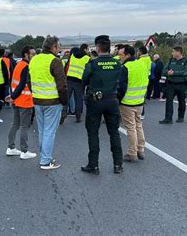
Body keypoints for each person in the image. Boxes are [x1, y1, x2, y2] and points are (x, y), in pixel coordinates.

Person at [81, 35, 123, 175]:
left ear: (97, 48)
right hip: (112, 101)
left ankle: (94, 165)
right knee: (114, 133)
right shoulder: (118, 64)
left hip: (96, 101)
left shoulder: (92, 64)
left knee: (93, 133)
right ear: (109, 47)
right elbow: (122, 84)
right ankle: (118, 165)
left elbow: (84, 80)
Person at [28, 36, 67, 170]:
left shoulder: (34, 60)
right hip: (53, 102)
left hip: (37, 101)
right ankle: (45, 160)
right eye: (59, 46)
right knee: (50, 131)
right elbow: (62, 85)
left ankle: (45, 156)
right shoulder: (55, 61)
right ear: (53, 47)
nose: (60, 49)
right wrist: (64, 101)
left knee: (42, 131)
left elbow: (29, 80)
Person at [5, 45, 37, 160]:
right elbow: (22, 84)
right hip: (25, 101)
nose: (34, 56)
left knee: (15, 124)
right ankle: (24, 151)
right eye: (32, 54)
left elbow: (13, 82)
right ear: (26, 55)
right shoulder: (26, 67)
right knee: (24, 126)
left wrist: (12, 96)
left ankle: (11, 147)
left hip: (17, 101)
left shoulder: (19, 65)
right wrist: (13, 96)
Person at [117, 46, 148, 162]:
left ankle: (132, 153)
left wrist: (118, 100)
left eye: (121, 55)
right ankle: (141, 149)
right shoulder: (142, 64)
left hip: (127, 102)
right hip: (140, 101)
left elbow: (121, 87)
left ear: (127, 55)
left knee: (130, 128)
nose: (119, 57)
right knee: (138, 125)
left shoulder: (126, 67)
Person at [160, 47, 187, 124]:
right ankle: (168, 119)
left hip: (182, 84)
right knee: (169, 101)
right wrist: (168, 72)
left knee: (181, 101)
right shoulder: (171, 60)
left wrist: (174, 73)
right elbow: (164, 70)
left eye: (173, 52)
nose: (172, 53)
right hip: (171, 84)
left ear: (178, 52)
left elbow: (186, 72)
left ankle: (181, 117)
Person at [63, 44, 90, 123]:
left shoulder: (72, 56)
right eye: (88, 49)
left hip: (69, 80)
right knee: (78, 99)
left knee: (67, 98)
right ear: (85, 49)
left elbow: (66, 67)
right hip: (79, 81)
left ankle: (63, 114)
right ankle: (78, 116)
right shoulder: (87, 58)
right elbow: (88, 71)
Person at [137, 46, 152, 120]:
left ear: (140, 51)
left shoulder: (141, 60)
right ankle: (141, 113)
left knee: (140, 98)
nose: (137, 53)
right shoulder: (148, 58)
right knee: (142, 98)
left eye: (138, 51)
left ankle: (141, 113)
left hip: (141, 80)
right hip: (146, 80)